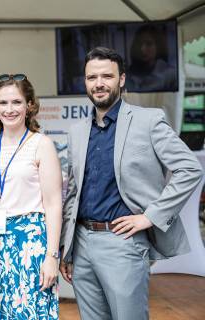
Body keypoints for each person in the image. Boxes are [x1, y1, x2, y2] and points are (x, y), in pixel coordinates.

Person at [60, 46, 203, 320]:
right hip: (81, 243)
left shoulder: (148, 121)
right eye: (92, 78)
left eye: (107, 76)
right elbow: (74, 192)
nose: (99, 84)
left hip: (123, 241)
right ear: (85, 82)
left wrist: (150, 216)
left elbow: (189, 168)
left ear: (121, 79)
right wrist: (67, 249)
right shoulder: (76, 132)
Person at [0, 74, 62, 319]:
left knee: (27, 312)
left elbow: (53, 203)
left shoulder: (41, 144)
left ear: (29, 106)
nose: (10, 109)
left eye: (16, 102)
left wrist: (51, 256)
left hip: (29, 243)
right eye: (3, 103)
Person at [126, 24, 177, 92]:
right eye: (139, 43)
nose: (142, 49)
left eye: (149, 44)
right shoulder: (126, 74)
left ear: (158, 46)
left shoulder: (170, 75)